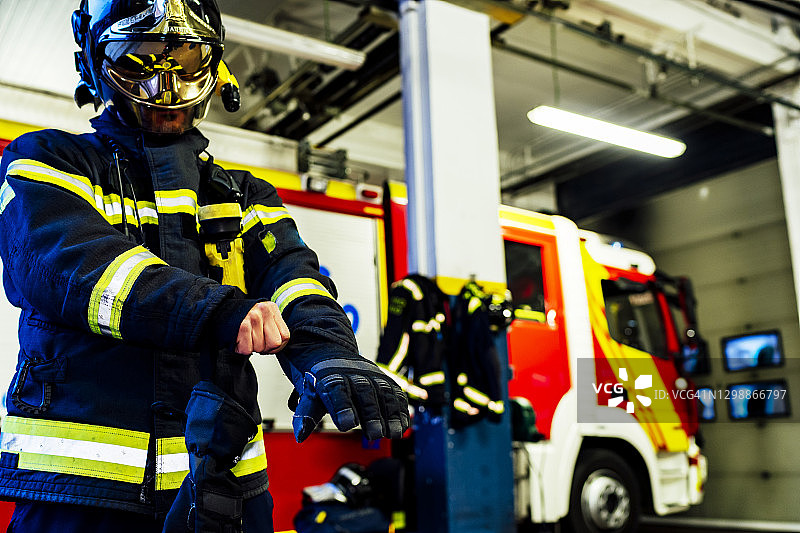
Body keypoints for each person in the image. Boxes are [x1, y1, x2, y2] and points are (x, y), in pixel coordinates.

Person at [0, 0, 409, 531]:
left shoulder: (245, 194)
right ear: (96, 63)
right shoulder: (48, 161)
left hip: (225, 493)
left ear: (214, 67)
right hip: (82, 497)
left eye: (188, 59)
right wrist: (222, 311)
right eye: (142, 57)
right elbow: (68, 267)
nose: (165, 87)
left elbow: (295, 278)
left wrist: (328, 353)